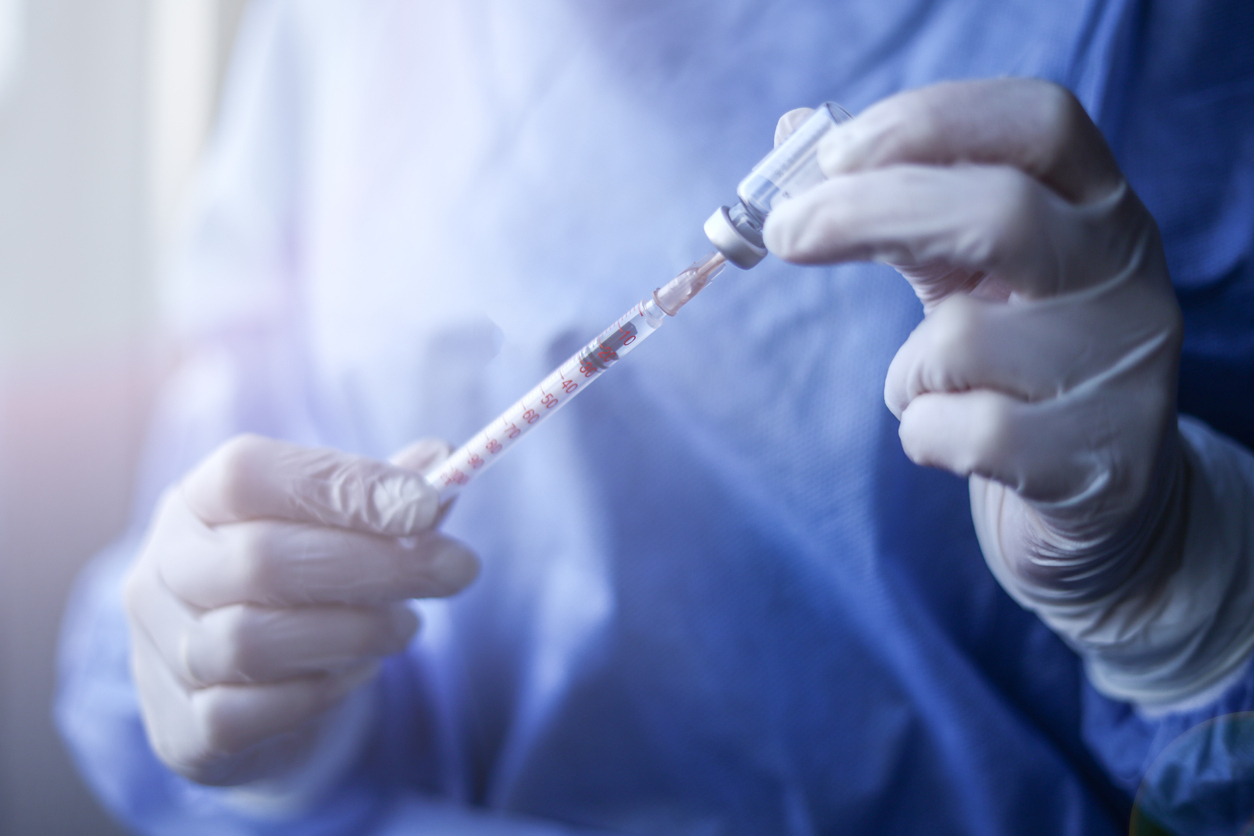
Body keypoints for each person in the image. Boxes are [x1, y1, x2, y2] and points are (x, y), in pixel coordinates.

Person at [56, 0, 1254, 833]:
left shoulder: (1159, 35)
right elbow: (222, 504)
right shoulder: (340, 30)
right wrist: (254, 693)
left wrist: (1182, 600)